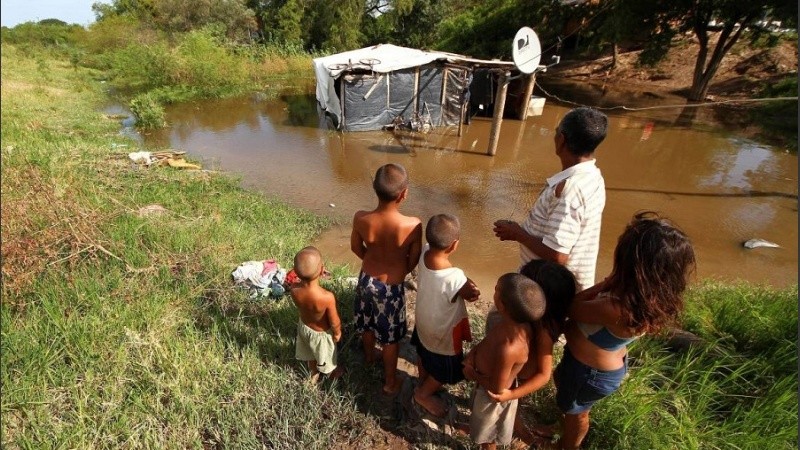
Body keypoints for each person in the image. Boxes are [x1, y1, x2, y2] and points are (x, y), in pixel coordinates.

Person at [534, 211, 696, 449]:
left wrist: (602, 284)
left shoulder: (616, 308)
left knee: (577, 413)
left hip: (589, 373)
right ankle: (561, 429)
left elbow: (573, 307)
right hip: (588, 367)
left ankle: (568, 446)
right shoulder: (644, 297)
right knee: (567, 396)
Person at [493, 106, 608, 291]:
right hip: (552, 283)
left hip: (548, 290)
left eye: (556, 132)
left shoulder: (570, 189)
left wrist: (518, 234)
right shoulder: (593, 176)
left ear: (561, 140)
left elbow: (558, 255)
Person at [481, 259, 578, 444]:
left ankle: (510, 431)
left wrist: (512, 394)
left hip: (515, 374)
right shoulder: (518, 315)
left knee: (498, 407)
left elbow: (543, 374)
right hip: (508, 364)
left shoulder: (543, 332)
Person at [351, 163, 423, 395]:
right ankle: (390, 382)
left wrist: (370, 260)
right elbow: (414, 259)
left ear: (374, 188)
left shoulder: (361, 218)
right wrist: (400, 270)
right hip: (391, 289)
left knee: (367, 323)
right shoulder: (413, 225)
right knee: (390, 340)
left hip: (365, 280)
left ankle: (370, 357)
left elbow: (355, 247)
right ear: (404, 194)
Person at [464, 273, 546, 450]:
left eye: (496, 290)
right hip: (483, 384)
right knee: (483, 423)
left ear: (502, 305)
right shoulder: (513, 324)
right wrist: (475, 351)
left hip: (491, 398)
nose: (494, 290)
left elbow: (496, 389)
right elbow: (490, 341)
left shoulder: (510, 348)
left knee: (488, 434)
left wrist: (473, 374)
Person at [410, 214, 481, 417]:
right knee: (446, 370)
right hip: (442, 332)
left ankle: (423, 380)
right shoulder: (454, 276)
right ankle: (422, 394)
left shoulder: (424, 252)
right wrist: (472, 287)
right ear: (454, 245)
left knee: (423, 352)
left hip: (423, 320)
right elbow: (471, 295)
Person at [290, 246, 343, 380]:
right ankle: (332, 373)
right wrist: (337, 332)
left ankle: (313, 373)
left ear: (295, 271)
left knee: (310, 354)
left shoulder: (294, 290)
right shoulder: (326, 297)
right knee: (325, 356)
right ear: (322, 269)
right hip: (321, 334)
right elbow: (334, 320)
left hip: (304, 329)